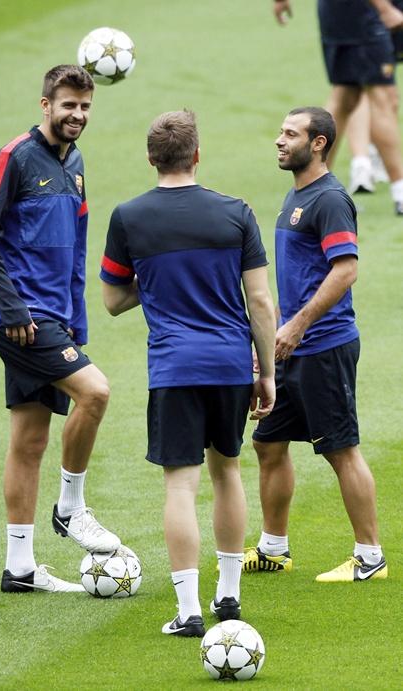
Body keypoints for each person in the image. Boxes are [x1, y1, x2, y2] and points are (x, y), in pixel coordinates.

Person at [100, 110, 276, 635]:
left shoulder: (129, 217)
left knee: (180, 487)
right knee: (228, 473)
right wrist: (266, 373)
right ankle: (228, 597)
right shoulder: (236, 213)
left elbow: (111, 300)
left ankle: (189, 610)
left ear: (151, 157)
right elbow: (261, 302)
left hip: (174, 368)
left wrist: (153, 281)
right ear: (197, 154)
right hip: (230, 365)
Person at [0, 65, 120, 594]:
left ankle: (21, 568)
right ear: (45, 105)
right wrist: (12, 308)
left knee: (29, 440)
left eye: (85, 107)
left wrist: (77, 323)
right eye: (67, 105)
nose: (76, 115)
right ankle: (71, 508)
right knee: (95, 393)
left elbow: (77, 249)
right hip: (20, 321)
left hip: (54, 319)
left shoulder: (74, 164)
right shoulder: (14, 157)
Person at [243, 106, 387, 583]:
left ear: (318, 142)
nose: (280, 141)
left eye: (290, 134)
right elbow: (298, 280)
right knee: (269, 444)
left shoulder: (329, 199)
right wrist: (271, 337)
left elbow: (346, 269)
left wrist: (299, 324)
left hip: (324, 345)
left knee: (340, 449)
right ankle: (274, 548)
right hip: (292, 347)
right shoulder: (297, 195)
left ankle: (370, 557)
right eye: (280, 131)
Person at [272, 0, 403, 214]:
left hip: (336, 14)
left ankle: (312, 190)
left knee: (346, 95)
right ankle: (400, 192)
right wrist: (385, 9)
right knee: (383, 96)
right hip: (364, 15)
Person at [347, 0, 403, 193]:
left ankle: (375, 156)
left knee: (383, 91)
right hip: (368, 12)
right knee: (358, 87)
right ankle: (363, 162)